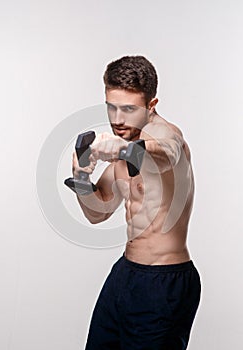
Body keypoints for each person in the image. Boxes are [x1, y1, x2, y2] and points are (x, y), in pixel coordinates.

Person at [72, 56, 201, 350]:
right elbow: (98, 212)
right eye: (112, 107)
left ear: (151, 105)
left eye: (129, 109)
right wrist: (81, 179)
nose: (118, 119)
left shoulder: (164, 135)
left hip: (164, 282)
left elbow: (168, 152)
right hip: (125, 275)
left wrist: (127, 149)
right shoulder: (123, 145)